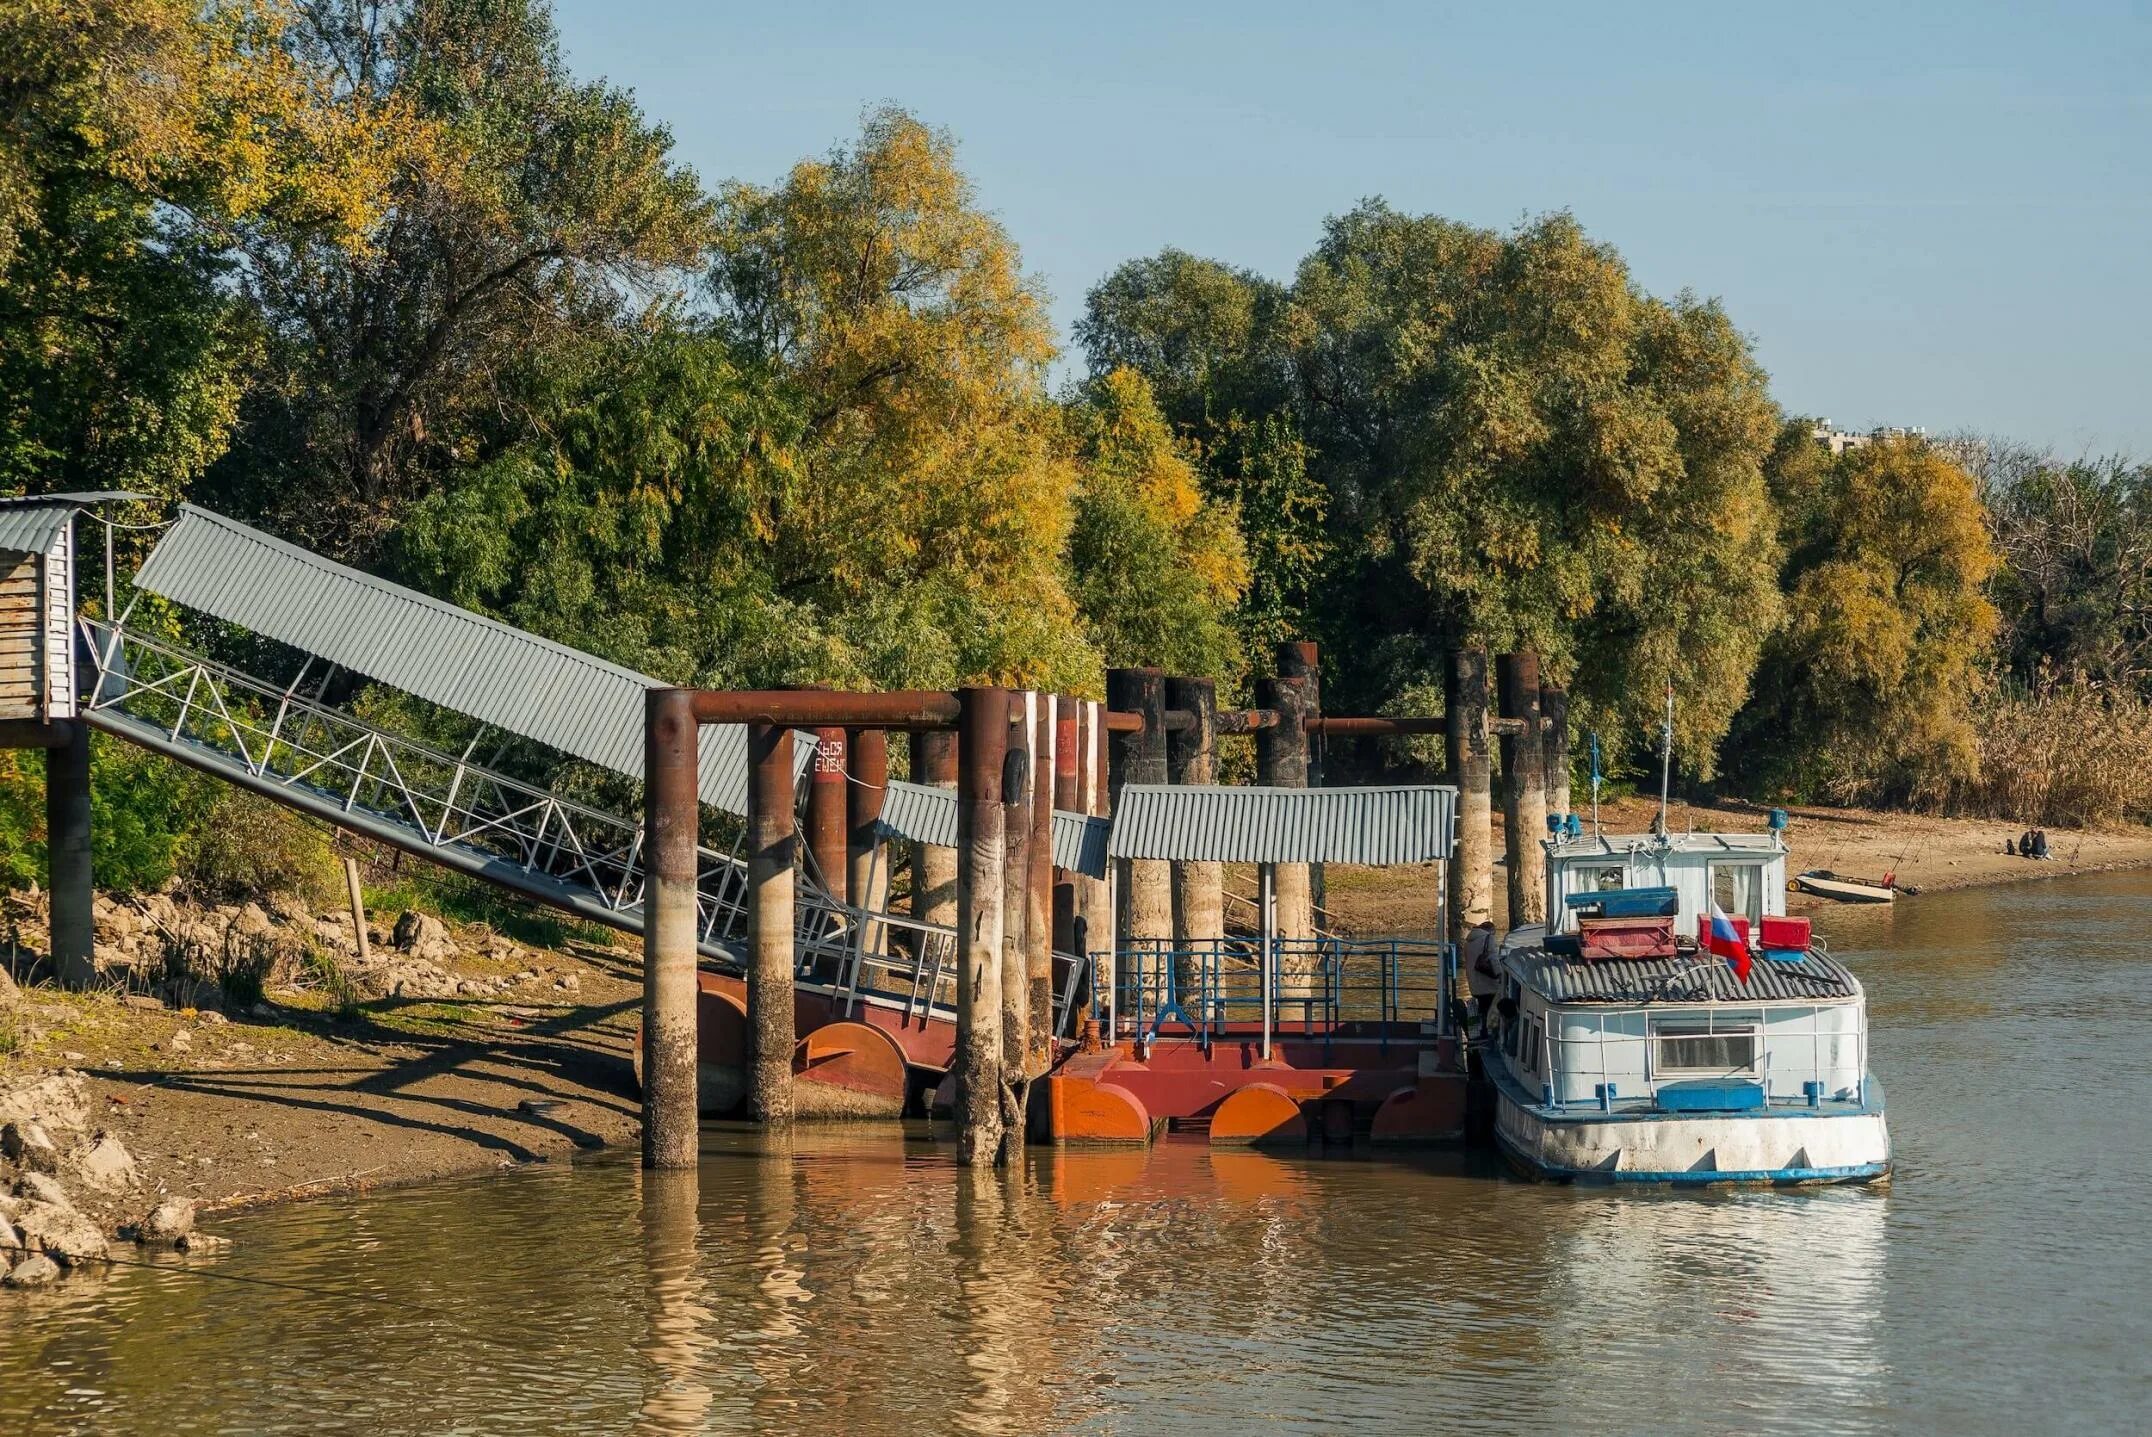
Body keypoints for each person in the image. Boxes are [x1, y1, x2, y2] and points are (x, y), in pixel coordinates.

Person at [1465, 920, 1501, 1035]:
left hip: (1474, 984)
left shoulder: (1469, 941)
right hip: (1488, 983)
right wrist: (1500, 974)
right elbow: (1493, 959)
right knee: (1492, 1009)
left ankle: (1480, 1033)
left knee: (1482, 1008)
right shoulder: (1488, 938)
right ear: (1491, 930)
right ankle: (1490, 1035)